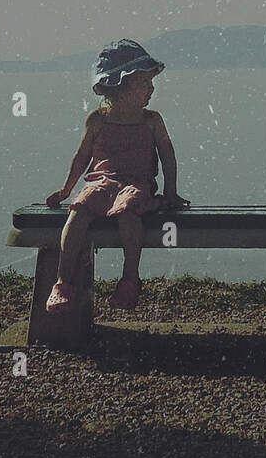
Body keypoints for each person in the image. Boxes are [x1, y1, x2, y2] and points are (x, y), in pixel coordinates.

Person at [44, 39, 188, 314]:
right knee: (79, 209)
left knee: (128, 210)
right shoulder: (97, 120)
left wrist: (170, 192)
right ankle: (62, 282)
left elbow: (168, 156)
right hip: (102, 181)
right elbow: (82, 158)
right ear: (119, 88)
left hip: (136, 184)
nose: (151, 89)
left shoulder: (152, 121)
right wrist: (66, 190)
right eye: (145, 84)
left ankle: (130, 278)